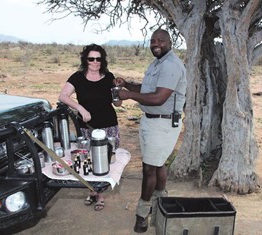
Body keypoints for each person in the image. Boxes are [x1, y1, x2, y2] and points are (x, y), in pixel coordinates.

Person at [115, 29, 187, 233]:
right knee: (157, 165)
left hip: (162, 125)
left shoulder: (172, 65)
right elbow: (148, 91)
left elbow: (158, 98)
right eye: (153, 41)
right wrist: (128, 85)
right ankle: (160, 204)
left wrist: (128, 94)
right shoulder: (158, 63)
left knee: (149, 169)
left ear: (169, 42)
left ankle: (142, 212)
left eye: (160, 41)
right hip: (151, 122)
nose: (156, 44)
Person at [58, 43, 122, 211]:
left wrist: (118, 96)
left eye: (98, 59)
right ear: (85, 60)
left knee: (106, 160)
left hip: (108, 126)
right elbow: (63, 96)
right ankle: (92, 191)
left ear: (103, 61)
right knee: (88, 160)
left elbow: (117, 103)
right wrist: (79, 108)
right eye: (91, 58)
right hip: (87, 127)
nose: (95, 62)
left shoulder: (109, 77)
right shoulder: (77, 77)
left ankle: (100, 194)